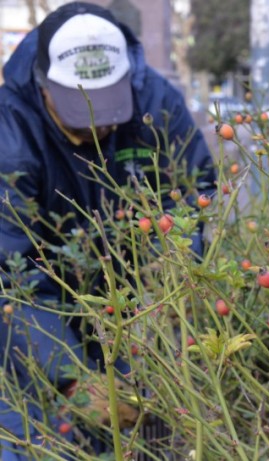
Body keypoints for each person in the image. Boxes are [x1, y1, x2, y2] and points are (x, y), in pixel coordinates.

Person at [0, 2, 215, 459]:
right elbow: (9, 277)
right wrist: (70, 376)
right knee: (28, 440)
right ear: (44, 83)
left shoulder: (156, 103)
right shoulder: (10, 135)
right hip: (34, 320)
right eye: (80, 110)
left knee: (135, 439)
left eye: (109, 105)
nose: (99, 125)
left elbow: (194, 197)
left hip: (127, 313)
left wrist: (164, 299)